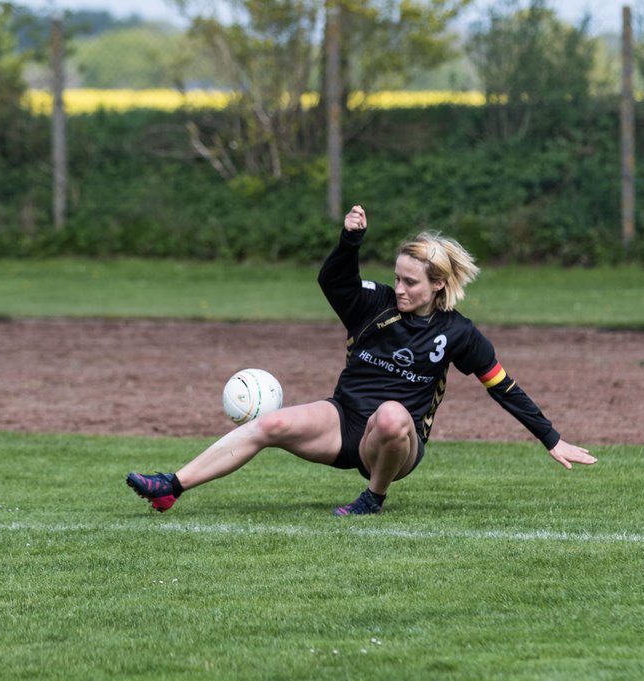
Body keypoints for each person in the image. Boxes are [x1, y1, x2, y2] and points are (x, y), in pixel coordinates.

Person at [126, 205, 597, 516]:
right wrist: (350, 242)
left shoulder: (459, 333)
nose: (401, 288)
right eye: (398, 277)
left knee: (392, 414)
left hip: (395, 442)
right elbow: (333, 281)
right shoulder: (375, 304)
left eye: (411, 281)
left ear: (437, 285)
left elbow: (502, 386)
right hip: (342, 421)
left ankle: (374, 497)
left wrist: (551, 438)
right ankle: (172, 486)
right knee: (269, 426)